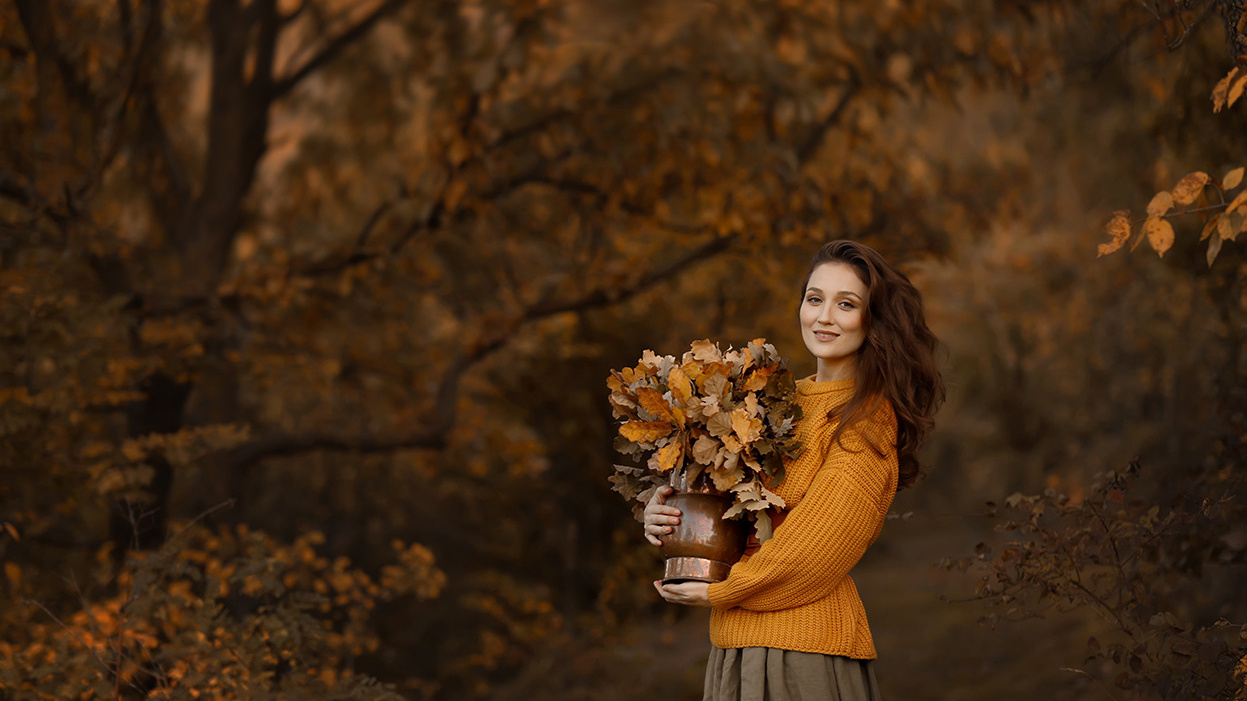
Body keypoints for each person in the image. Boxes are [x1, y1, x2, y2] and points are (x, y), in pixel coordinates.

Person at [643, 239, 944, 701]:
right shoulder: (774, 404)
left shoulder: (866, 420)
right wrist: (668, 515)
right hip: (736, 644)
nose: (824, 317)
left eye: (846, 304)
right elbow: (729, 508)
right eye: (815, 298)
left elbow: (816, 550)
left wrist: (721, 592)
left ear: (873, 320)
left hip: (800, 653)